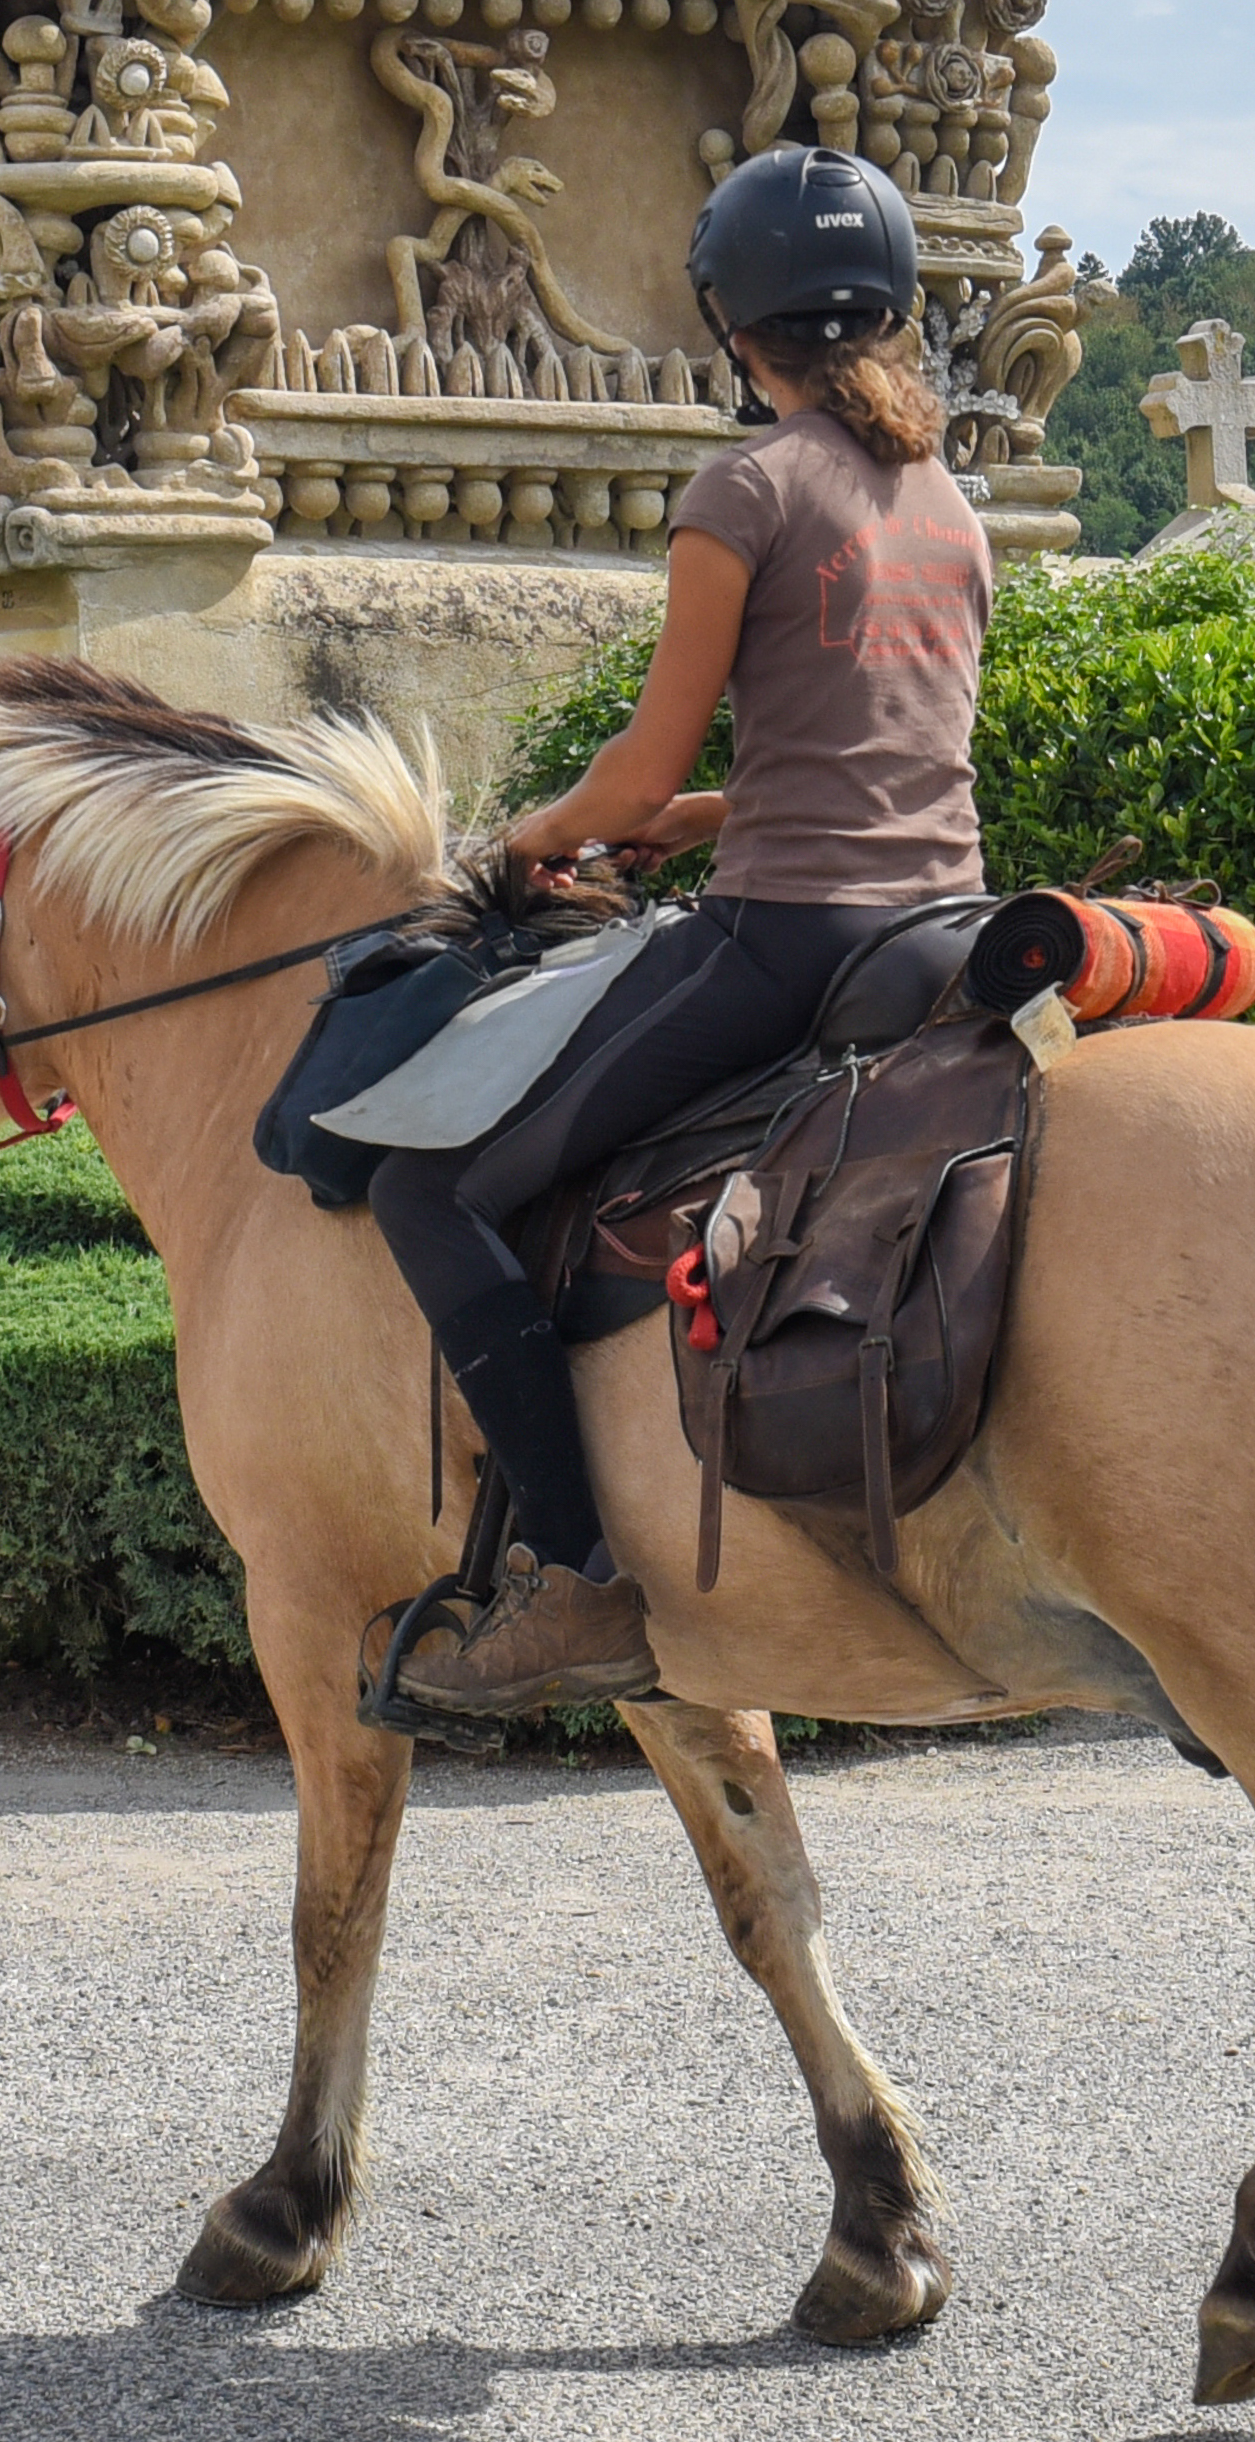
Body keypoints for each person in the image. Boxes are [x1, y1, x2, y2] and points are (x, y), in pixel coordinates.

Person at [367, 144, 995, 1724]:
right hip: (944, 922)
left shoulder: (744, 489)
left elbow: (635, 768)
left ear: (730, 323)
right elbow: (877, 750)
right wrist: (708, 815)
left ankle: (577, 1579)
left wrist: (526, 837)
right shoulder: (945, 504)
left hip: (782, 944)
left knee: (433, 1190)